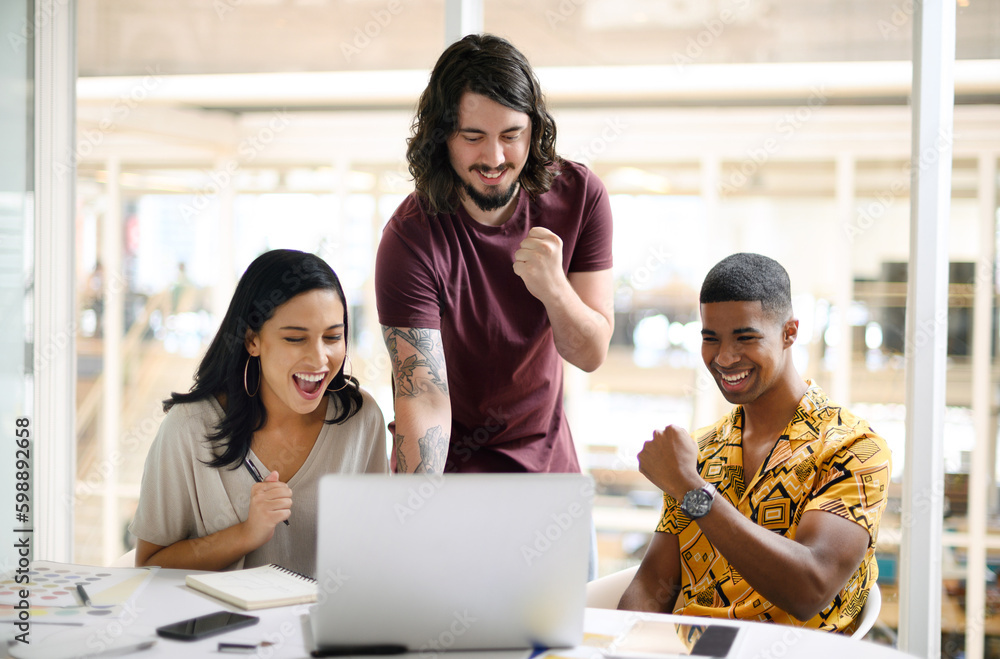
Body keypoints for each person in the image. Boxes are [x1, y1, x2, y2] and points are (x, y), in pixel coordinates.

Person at [375, 33, 614, 475]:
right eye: (473, 137)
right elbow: (422, 396)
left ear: (534, 131)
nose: (494, 157)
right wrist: (409, 518)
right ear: (443, 137)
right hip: (448, 471)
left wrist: (554, 289)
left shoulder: (581, 195)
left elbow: (591, 353)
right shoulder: (410, 237)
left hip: (548, 466)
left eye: (511, 135)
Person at [619, 253, 891, 633]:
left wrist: (690, 489)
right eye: (710, 339)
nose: (725, 357)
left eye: (745, 338)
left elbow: (809, 589)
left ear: (789, 333)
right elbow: (652, 586)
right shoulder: (703, 449)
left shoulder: (853, 447)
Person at [130, 249, 389, 577]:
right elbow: (149, 564)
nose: (319, 357)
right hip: (222, 628)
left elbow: (379, 551)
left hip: (328, 627)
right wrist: (245, 534)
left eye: (333, 337)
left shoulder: (362, 420)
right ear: (252, 340)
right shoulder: (189, 428)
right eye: (296, 338)